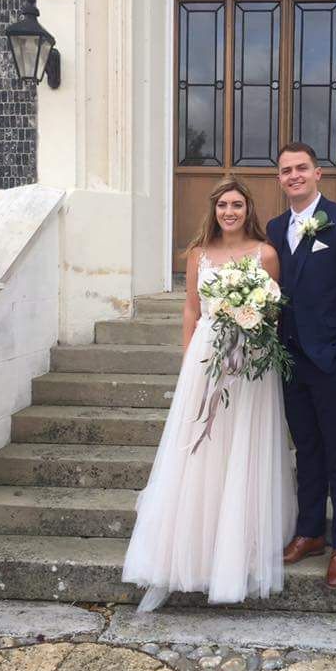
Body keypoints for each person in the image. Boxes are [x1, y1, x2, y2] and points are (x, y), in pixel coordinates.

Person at [123, 177, 296, 610]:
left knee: (242, 444)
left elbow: (274, 310)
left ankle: (239, 546)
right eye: (223, 205)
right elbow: (190, 309)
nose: (229, 212)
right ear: (214, 210)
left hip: (251, 364)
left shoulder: (265, 254)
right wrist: (189, 359)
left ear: (248, 209)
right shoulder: (198, 255)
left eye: (237, 205)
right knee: (201, 446)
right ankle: (193, 547)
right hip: (207, 356)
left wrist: (254, 337)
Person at [267, 143, 336, 589]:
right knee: (306, 448)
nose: (293, 175)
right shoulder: (275, 228)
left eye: (301, 168)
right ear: (279, 179)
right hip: (290, 359)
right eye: (286, 170)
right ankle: (310, 532)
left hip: (332, 360)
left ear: (318, 174)